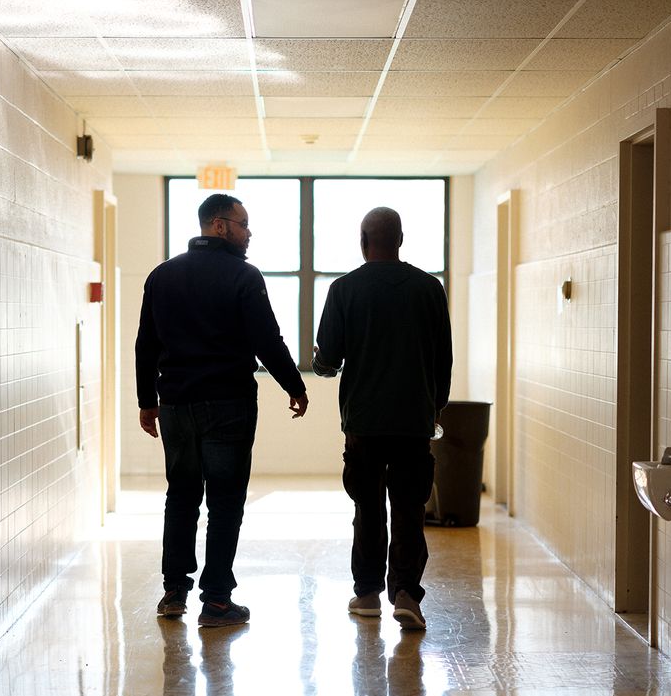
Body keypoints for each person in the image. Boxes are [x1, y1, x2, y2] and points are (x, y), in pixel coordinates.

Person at [136, 193, 308, 627]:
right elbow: (267, 340)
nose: (249, 233)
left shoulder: (162, 276)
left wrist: (146, 402)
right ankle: (215, 601)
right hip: (228, 403)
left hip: (175, 404)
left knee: (181, 496)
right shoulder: (244, 276)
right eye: (243, 224)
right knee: (226, 502)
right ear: (218, 225)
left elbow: (146, 345)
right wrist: (295, 385)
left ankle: (174, 592)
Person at [312, 207, 452, 630]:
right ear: (401, 240)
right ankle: (407, 593)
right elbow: (442, 359)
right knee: (410, 507)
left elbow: (328, 360)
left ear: (362, 240)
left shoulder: (344, 290)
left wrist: (321, 363)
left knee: (368, 507)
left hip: (364, 422)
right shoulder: (429, 289)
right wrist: (434, 408)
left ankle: (368, 593)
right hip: (413, 420)